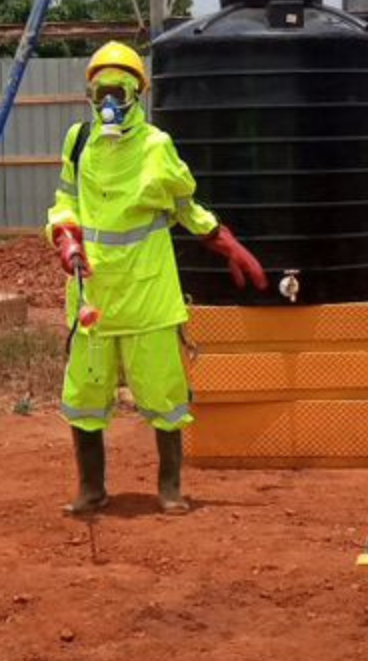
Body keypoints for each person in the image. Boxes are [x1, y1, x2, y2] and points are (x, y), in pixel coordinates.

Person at [47, 42, 268, 515]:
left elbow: (184, 207)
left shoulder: (155, 146)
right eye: (101, 91)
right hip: (93, 292)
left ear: (137, 94)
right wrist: (66, 237)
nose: (109, 103)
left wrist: (223, 240)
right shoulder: (78, 140)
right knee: (85, 395)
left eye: (119, 92)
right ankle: (91, 488)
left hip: (148, 290)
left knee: (164, 392)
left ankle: (169, 487)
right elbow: (65, 201)